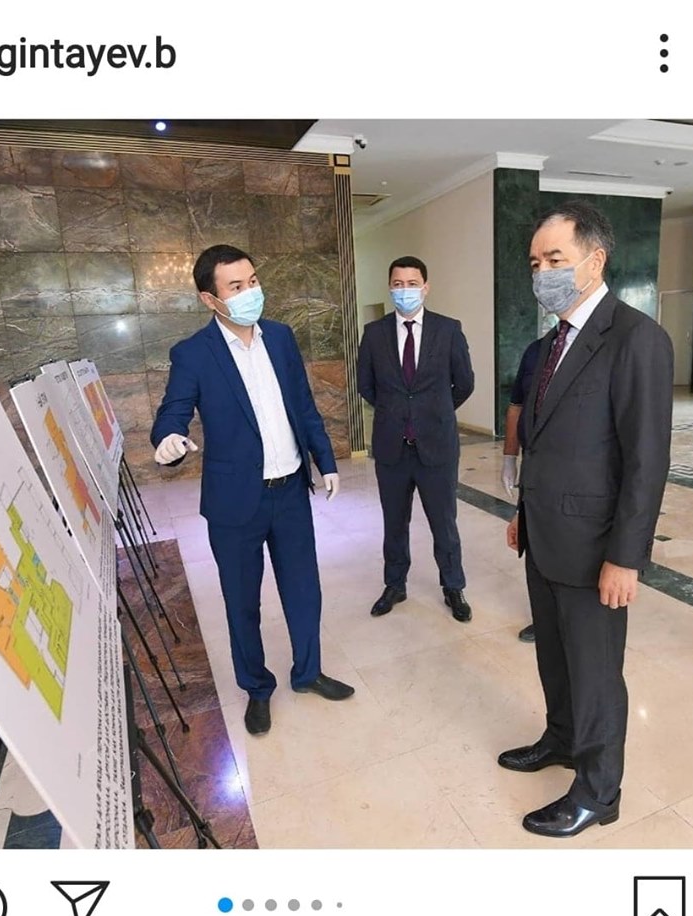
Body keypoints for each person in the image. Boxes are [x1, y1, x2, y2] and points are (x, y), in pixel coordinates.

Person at [501, 200, 673, 838]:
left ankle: (599, 792)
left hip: (596, 546)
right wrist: (523, 513)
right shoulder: (550, 343)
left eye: (556, 260)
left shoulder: (636, 339)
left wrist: (626, 557)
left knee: (596, 674)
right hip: (545, 537)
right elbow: (546, 442)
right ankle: (563, 739)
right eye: (534, 263)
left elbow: (645, 460)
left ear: (594, 261)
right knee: (555, 656)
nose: (542, 273)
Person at [150, 244, 354, 737]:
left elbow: (304, 405)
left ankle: (308, 672)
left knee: (304, 590)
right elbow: (173, 411)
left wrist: (325, 462)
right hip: (235, 503)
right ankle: (257, 688)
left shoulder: (281, 338)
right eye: (236, 287)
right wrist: (168, 439)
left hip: (290, 493)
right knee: (242, 602)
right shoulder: (194, 354)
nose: (250, 293)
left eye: (253, 281)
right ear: (210, 299)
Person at [356, 256, 474, 622]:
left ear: (425, 287)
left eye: (411, 283)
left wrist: (433, 412)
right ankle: (395, 584)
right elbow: (366, 385)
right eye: (398, 284)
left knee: (444, 523)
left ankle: (453, 586)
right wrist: (397, 412)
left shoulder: (448, 329)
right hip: (392, 448)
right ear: (389, 287)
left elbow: (464, 383)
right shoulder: (374, 334)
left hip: (436, 446)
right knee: (394, 523)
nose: (404, 290)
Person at [501, 338, 541, 643]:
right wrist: (509, 458)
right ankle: (543, 619)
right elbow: (517, 406)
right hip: (535, 468)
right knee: (535, 545)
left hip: (580, 474)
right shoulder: (537, 350)